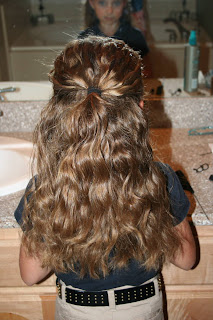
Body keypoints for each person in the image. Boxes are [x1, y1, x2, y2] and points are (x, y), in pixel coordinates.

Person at [14, 36, 196, 320]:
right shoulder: (158, 180)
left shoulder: (45, 188)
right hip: (142, 309)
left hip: (76, 310)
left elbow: (30, 274)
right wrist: (176, 200)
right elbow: (186, 260)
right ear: (139, 108)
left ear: (61, 111)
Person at [79, 0, 149, 60]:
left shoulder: (135, 37)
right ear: (92, 3)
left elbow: (146, 71)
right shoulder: (84, 38)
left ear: (124, 3)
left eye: (116, 3)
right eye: (102, 3)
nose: (109, 11)